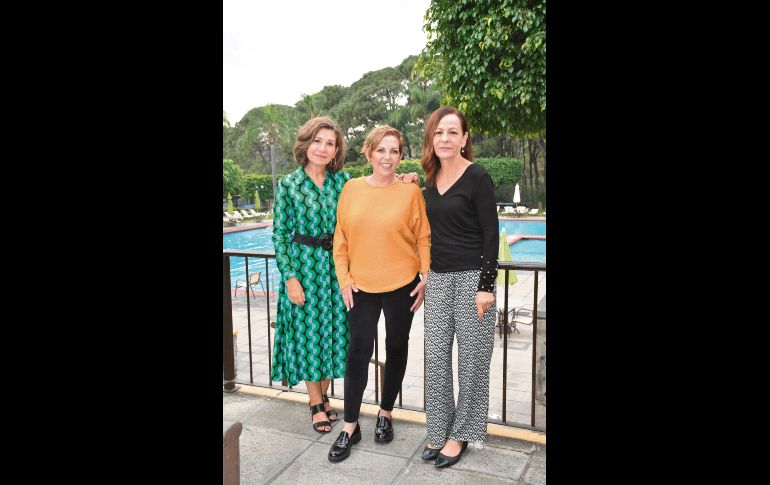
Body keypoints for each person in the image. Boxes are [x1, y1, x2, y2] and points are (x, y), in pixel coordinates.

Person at [327, 125, 431, 463]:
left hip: (402, 283)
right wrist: (344, 279)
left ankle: (386, 412)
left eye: (394, 151)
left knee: (396, 347)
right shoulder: (351, 189)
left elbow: (423, 237)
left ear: (401, 156)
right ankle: (350, 425)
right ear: (370, 153)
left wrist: (426, 274)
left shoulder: (410, 192)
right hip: (360, 286)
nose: (387, 157)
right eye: (381, 150)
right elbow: (340, 239)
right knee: (356, 352)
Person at [419, 107, 499, 468]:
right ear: (431, 138)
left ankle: (460, 434)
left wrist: (486, 285)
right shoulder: (429, 179)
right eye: (439, 133)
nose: (446, 139)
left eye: (453, 132)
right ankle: (438, 428)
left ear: (465, 139)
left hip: (472, 281)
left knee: (471, 363)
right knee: (435, 360)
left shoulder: (477, 176)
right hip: (438, 278)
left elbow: (490, 233)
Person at [270, 116, 350, 433]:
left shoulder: (343, 182)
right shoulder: (289, 185)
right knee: (307, 339)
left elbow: (373, 195)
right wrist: (290, 277)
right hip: (302, 271)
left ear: (336, 150)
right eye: (317, 141)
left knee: (335, 336)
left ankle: (324, 396)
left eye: (329, 143)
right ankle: (316, 402)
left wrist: (402, 180)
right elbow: (279, 235)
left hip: (336, 270)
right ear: (306, 144)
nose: (323, 147)